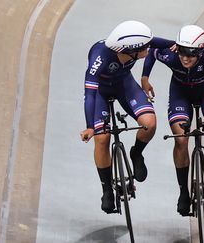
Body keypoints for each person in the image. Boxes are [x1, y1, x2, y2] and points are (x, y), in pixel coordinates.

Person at [80, 20, 175, 214]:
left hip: (124, 84)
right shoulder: (100, 57)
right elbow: (89, 94)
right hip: (100, 93)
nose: (149, 47)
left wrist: (182, 44)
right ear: (131, 50)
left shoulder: (133, 45)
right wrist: (90, 126)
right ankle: (106, 189)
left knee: (149, 123)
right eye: (145, 46)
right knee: (102, 138)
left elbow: (160, 42)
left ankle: (136, 153)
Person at [141, 25, 204, 216]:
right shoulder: (171, 54)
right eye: (182, 52)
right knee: (181, 139)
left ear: (200, 52)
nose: (184, 58)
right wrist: (145, 77)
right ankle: (183, 191)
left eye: (190, 54)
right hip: (180, 94)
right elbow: (151, 50)